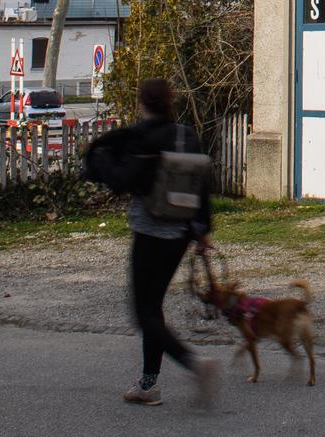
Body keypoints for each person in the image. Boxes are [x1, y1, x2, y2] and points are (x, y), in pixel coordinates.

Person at [87, 78, 219, 408]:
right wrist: (202, 231)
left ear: (143, 103)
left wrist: (100, 161)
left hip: (149, 233)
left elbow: (122, 180)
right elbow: (203, 184)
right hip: (180, 236)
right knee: (153, 309)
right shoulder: (185, 135)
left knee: (144, 312)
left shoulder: (142, 137)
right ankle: (147, 385)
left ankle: (194, 364)